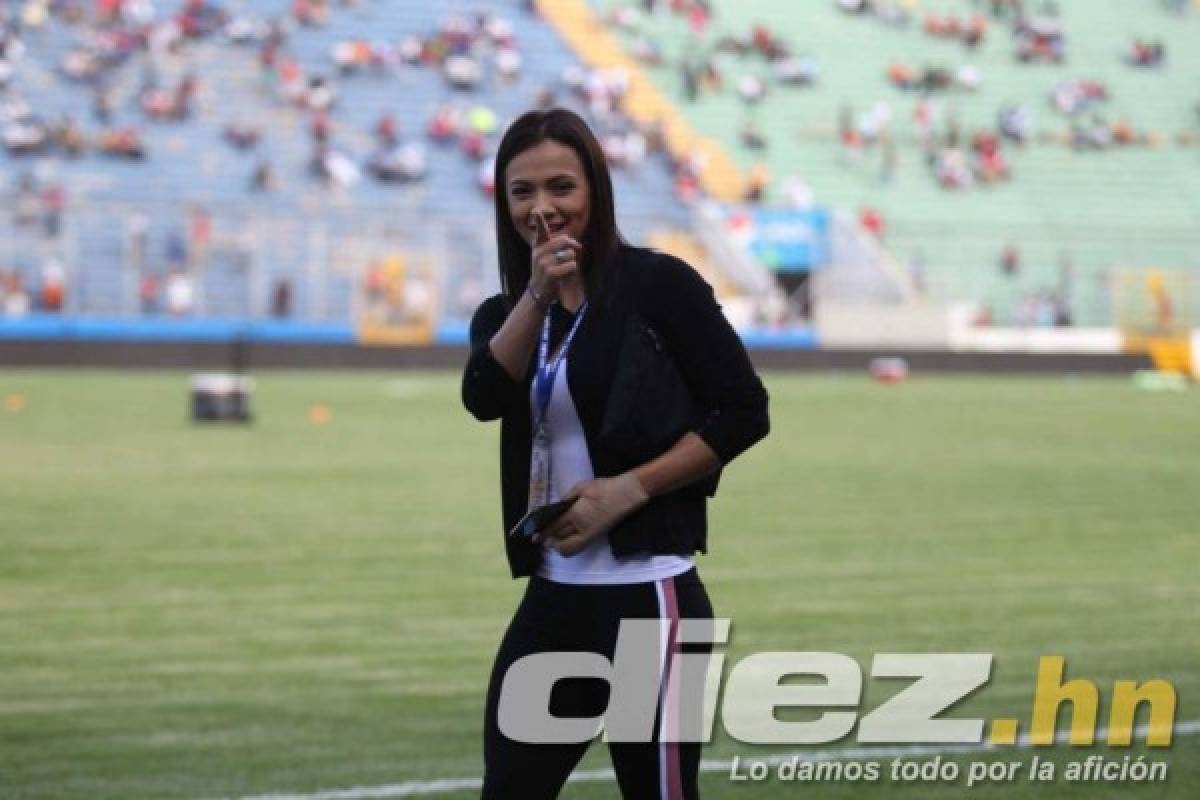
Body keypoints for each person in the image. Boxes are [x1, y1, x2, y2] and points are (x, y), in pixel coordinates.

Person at [462, 108, 769, 799]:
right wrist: (539, 294)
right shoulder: (508, 314)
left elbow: (745, 411)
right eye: (522, 192)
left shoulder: (658, 286)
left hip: (652, 596)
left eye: (561, 187)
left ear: (596, 190)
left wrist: (629, 490)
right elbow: (483, 397)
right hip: (553, 601)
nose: (543, 208)